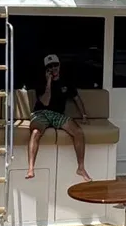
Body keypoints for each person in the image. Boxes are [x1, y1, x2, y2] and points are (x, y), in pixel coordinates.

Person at [26, 52, 89, 180]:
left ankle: (81, 168)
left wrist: (84, 115)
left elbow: (76, 98)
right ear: (46, 69)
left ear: (59, 65)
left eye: (55, 65)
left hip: (58, 115)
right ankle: (31, 168)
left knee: (78, 132)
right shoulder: (41, 82)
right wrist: (49, 82)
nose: (53, 68)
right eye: (50, 66)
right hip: (41, 112)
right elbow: (45, 102)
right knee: (36, 132)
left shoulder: (66, 82)